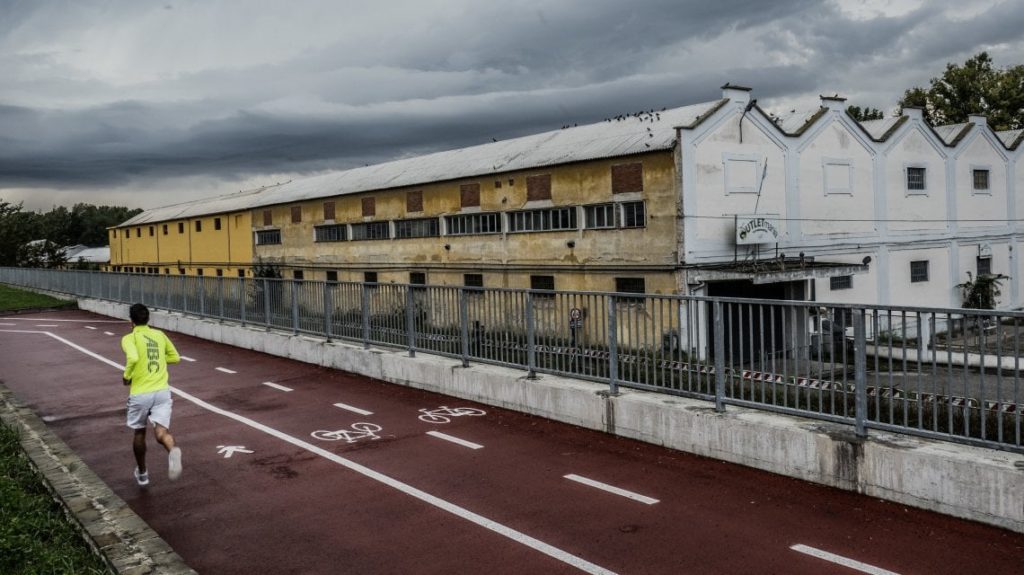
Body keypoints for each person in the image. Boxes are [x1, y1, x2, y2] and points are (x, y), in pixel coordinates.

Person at [121, 303, 182, 486]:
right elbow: (175, 357)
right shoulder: (159, 335)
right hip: (162, 392)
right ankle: (172, 451)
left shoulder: (129, 338)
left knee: (139, 432)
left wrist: (126, 376)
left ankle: (143, 474)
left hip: (141, 393)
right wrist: (158, 359)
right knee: (162, 433)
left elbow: (133, 358)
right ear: (148, 319)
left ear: (131, 321)